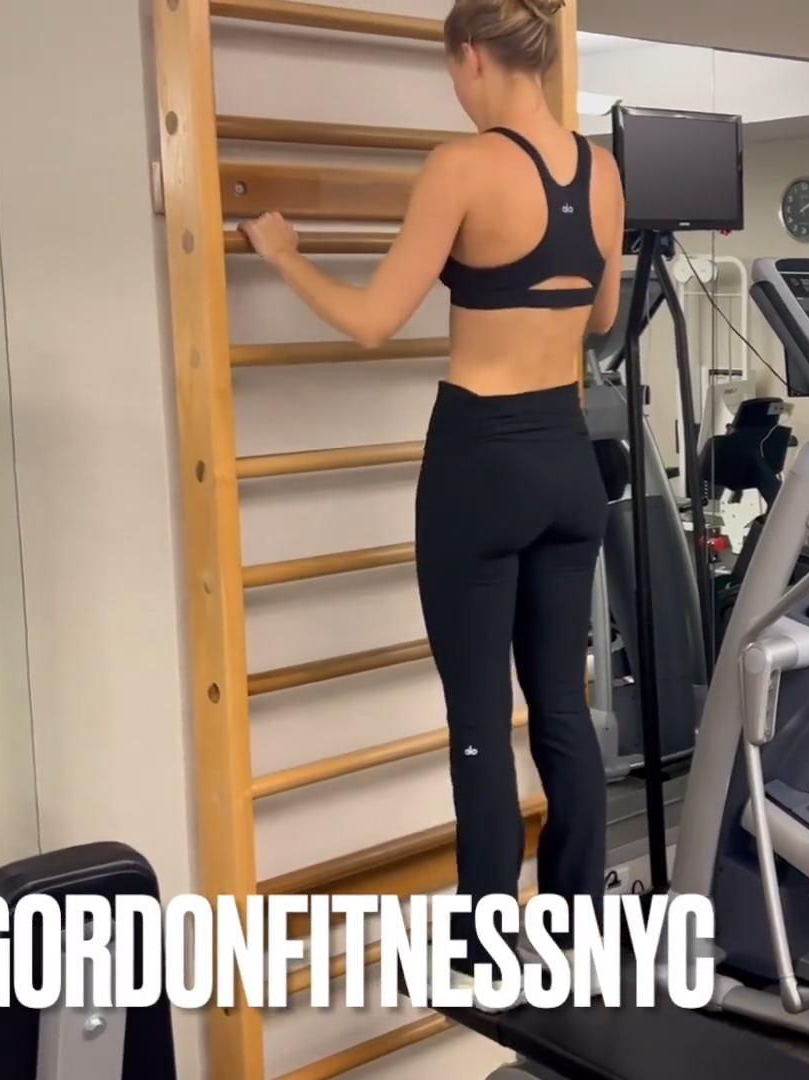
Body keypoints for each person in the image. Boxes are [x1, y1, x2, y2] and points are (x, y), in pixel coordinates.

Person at [240, 0, 624, 967]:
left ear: (471, 58)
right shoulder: (602, 169)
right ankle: (578, 924)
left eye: (452, 71)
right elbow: (600, 316)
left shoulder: (463, 165)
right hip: (567, 456)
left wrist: (284, 256)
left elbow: (373, 320)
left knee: (479, 719)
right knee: (562, 706)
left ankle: (488, 941)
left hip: (482, 460)